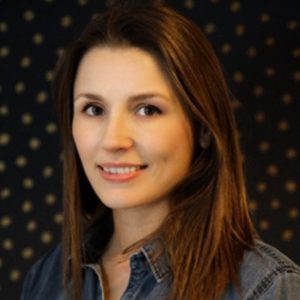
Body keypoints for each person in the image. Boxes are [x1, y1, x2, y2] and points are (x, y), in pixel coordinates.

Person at [20, 1, 300, 299]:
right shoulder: (47, 277)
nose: (113, 140)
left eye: (147, 110)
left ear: (203, 128)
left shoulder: (266, 287)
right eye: (93, 108)